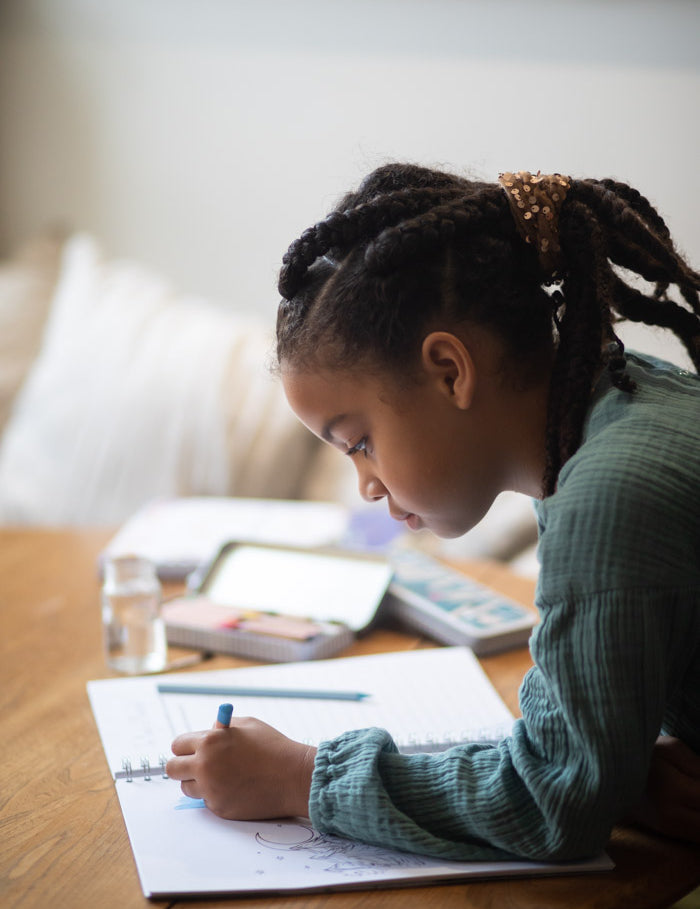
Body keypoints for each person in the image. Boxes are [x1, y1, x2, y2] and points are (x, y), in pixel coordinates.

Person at [167, 164, 700, 860]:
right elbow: (580, 766)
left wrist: (298, 777)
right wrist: (615, 772)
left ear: (450, 370)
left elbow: (550, 802)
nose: (365, 485)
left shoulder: (607, 496)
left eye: (359, 443)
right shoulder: (624, 404)